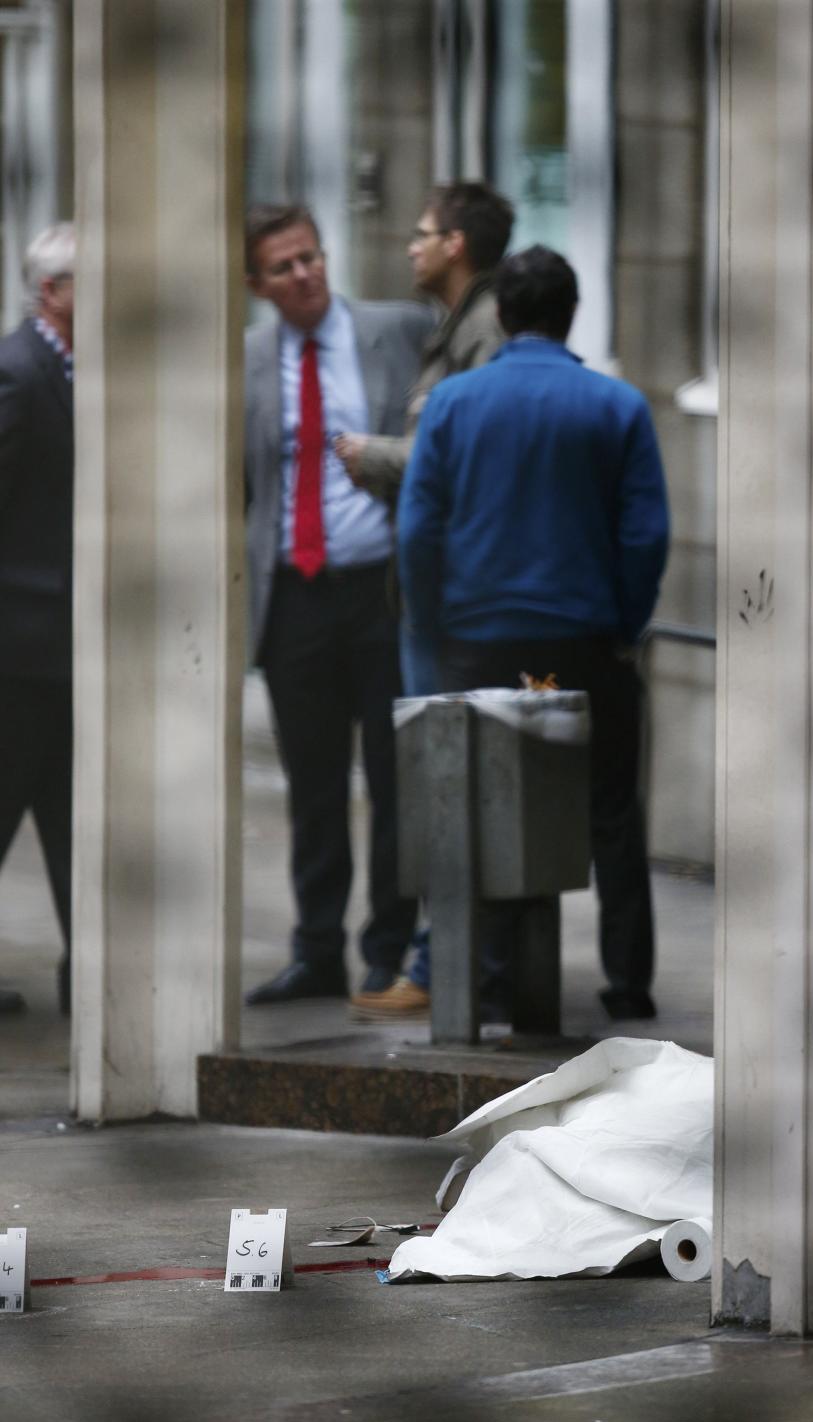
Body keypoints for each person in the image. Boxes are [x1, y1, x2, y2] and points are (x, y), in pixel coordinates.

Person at [388, 245, 669, 1023]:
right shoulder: (617, 407)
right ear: (573, 313)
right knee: (612, 809)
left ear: (501, 316)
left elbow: (419, 528)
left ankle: (491, 974)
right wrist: (623, 621)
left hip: (480, 643)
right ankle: (628, 983)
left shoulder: (453, 403)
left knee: (480, 805)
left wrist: (437, 618)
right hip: (585, 640)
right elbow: (646, 534)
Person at [243, 204, 433, 1005]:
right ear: (256, 284)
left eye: (312, 257)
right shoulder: (248, 361)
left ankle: (386, 949)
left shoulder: (399, 329)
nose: (305, 274)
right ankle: (315, 950)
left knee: (393, 781)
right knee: (314, 787)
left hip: (379, 592)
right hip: (294, 598)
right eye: (284, 267)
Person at [334, 180, 514, 697]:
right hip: (444, 584)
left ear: (454, 244)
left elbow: (471, 456)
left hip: (463, 591)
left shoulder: (485, 329)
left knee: (446, 751)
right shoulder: (459, 325)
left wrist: (374, 457)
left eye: (423, 235)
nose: (412, 247)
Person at [0, 222, 76, 1018]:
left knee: (69, 813)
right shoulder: (19, 371)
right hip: (20, 650)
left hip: (62, 648)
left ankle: (85, 972)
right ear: (53, 292)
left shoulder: (72, 367)